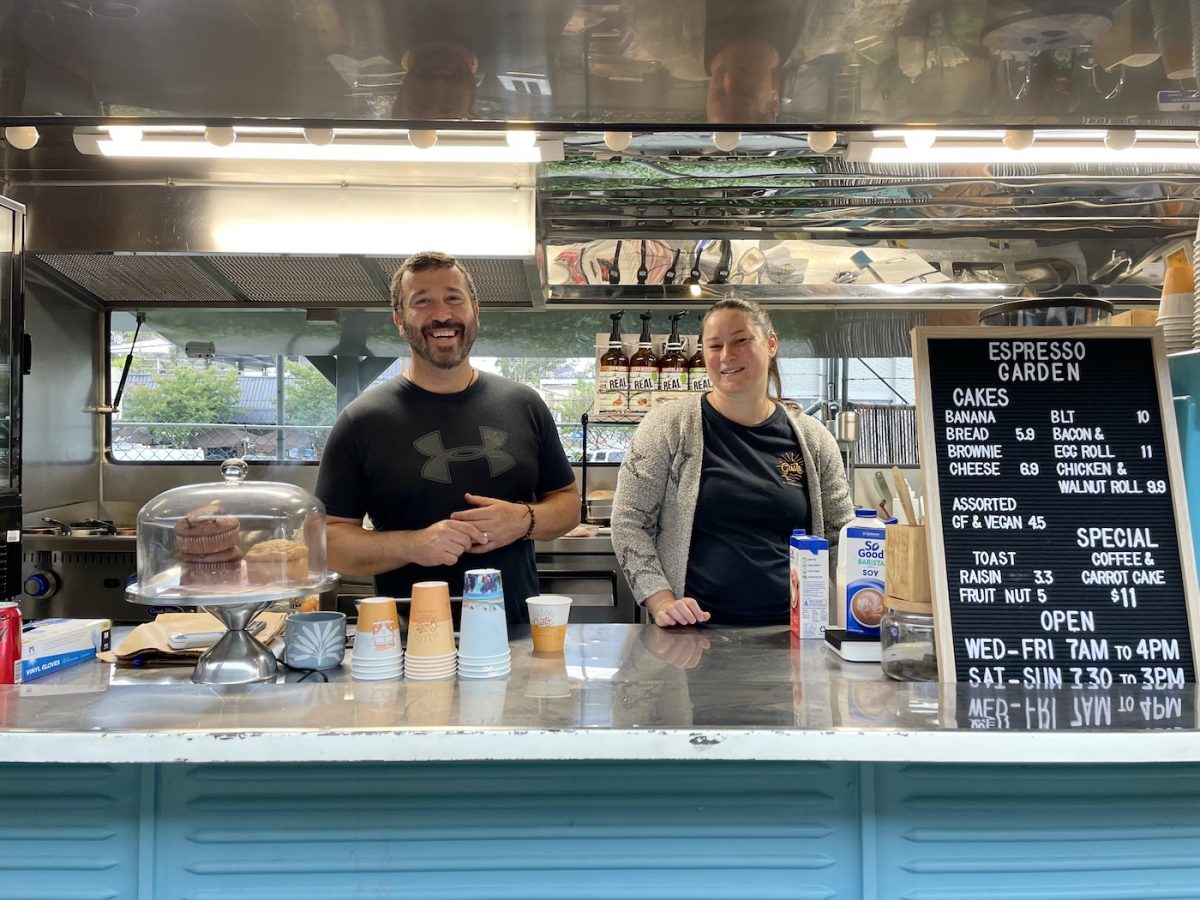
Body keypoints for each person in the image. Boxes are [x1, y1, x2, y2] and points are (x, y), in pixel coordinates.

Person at [315, 251, 580, 624]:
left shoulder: (524, 404)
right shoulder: (363, 419)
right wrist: (414, 544)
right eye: (422, 301)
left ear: (475, 311)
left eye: (453, 298)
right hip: (408, 643)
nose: (442, 314)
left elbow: (567, 503)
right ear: (399, 321)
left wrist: (525, 520)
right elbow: (329, 542)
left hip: (516, 636)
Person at [611, 297, 853, 627]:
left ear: (770, 344)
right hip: (692, 634)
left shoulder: (813, 439)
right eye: (715, 345)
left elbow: (841, 533)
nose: (727, 355)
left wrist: (847, 609)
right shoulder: (667, 426)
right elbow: (629, 522)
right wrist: (662, 600)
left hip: (795, 633)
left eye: (740, 340)